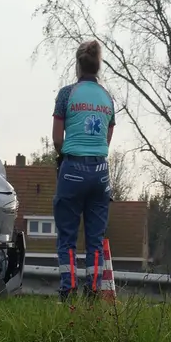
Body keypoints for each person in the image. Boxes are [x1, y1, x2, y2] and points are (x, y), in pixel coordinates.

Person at [51, 39, 115, 303]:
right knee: (95, 239)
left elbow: (57, 138)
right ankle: (94, 290)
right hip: (100, 172)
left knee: (67, 236)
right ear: (98, 66)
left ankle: (68, 290)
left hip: (73, 168)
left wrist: (64, 157)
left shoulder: (67, 94)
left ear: (78, 64)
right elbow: (106, 138)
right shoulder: (108, 98)